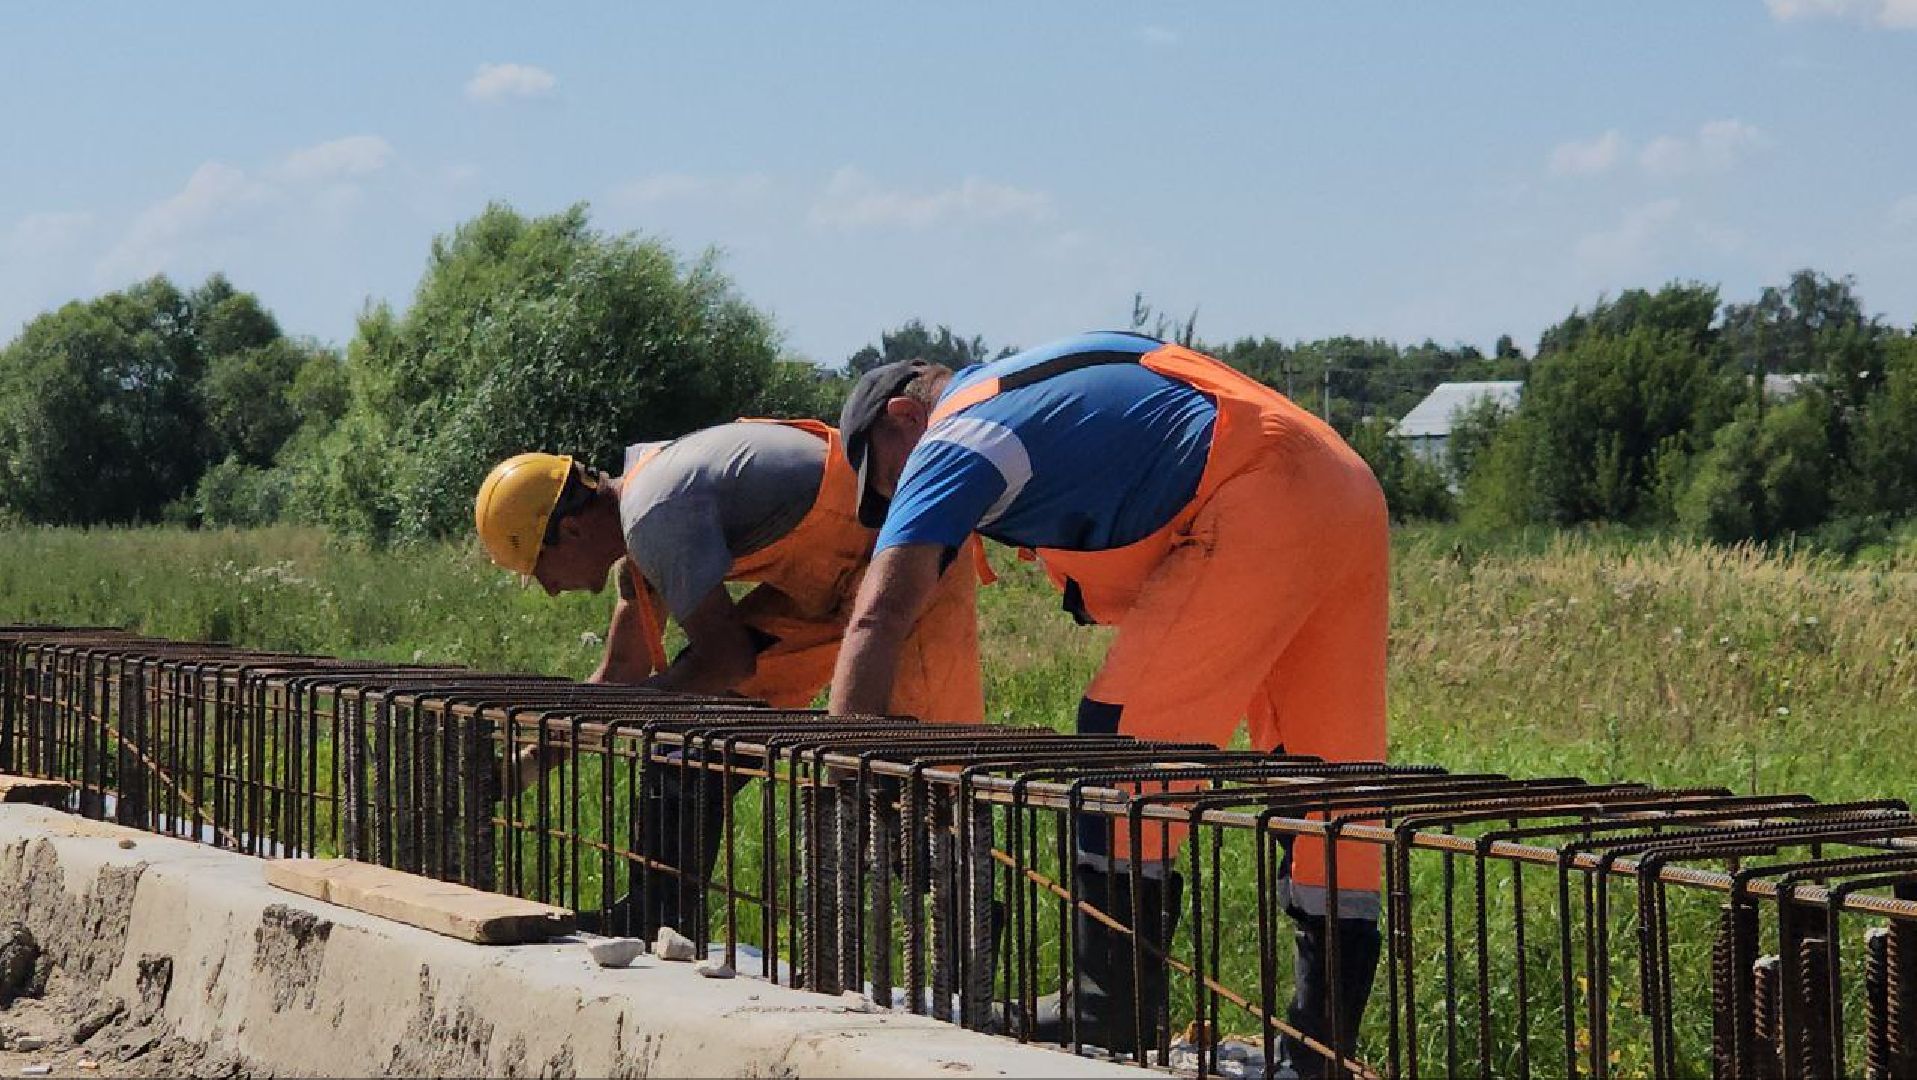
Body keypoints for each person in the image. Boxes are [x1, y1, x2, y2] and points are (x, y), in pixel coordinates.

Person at [828, 333, 1388, 1072]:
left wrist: (840, 761)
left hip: (1256, 494)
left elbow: (878, 615)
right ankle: (1320, 1051)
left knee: (1120, 744)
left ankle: (1110, 1009)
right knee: (1325, 780)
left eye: (884, 481)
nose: (896, 501)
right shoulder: (1032, 390)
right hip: (1343, 485)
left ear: (903, 415)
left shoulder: (956, 434)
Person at [474, 417, 984, 935]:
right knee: (684, 755)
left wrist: (647, 709)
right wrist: (527, 767)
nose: (551, 591)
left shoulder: (654, 515)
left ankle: (975, 951)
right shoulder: (644, 504)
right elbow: (621, 675)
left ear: (573, 529)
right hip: (836, 591)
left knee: (910, 785)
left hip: (911, 578)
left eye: (539, 569)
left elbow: (727, 660)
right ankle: (657, 922)